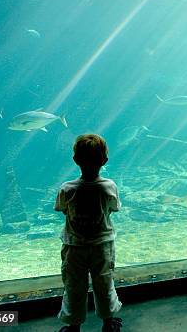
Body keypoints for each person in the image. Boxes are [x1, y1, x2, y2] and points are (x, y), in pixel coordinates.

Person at [55, 134, 123, 332]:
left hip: (74, 246)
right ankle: (109, 323)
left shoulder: (67, 188)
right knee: (104, 283)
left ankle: (73, 326)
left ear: (75, 160)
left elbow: (61, 208)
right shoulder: (109, 186)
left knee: (74, 286)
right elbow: (114, 208)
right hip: (102, 246)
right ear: (105, 160)